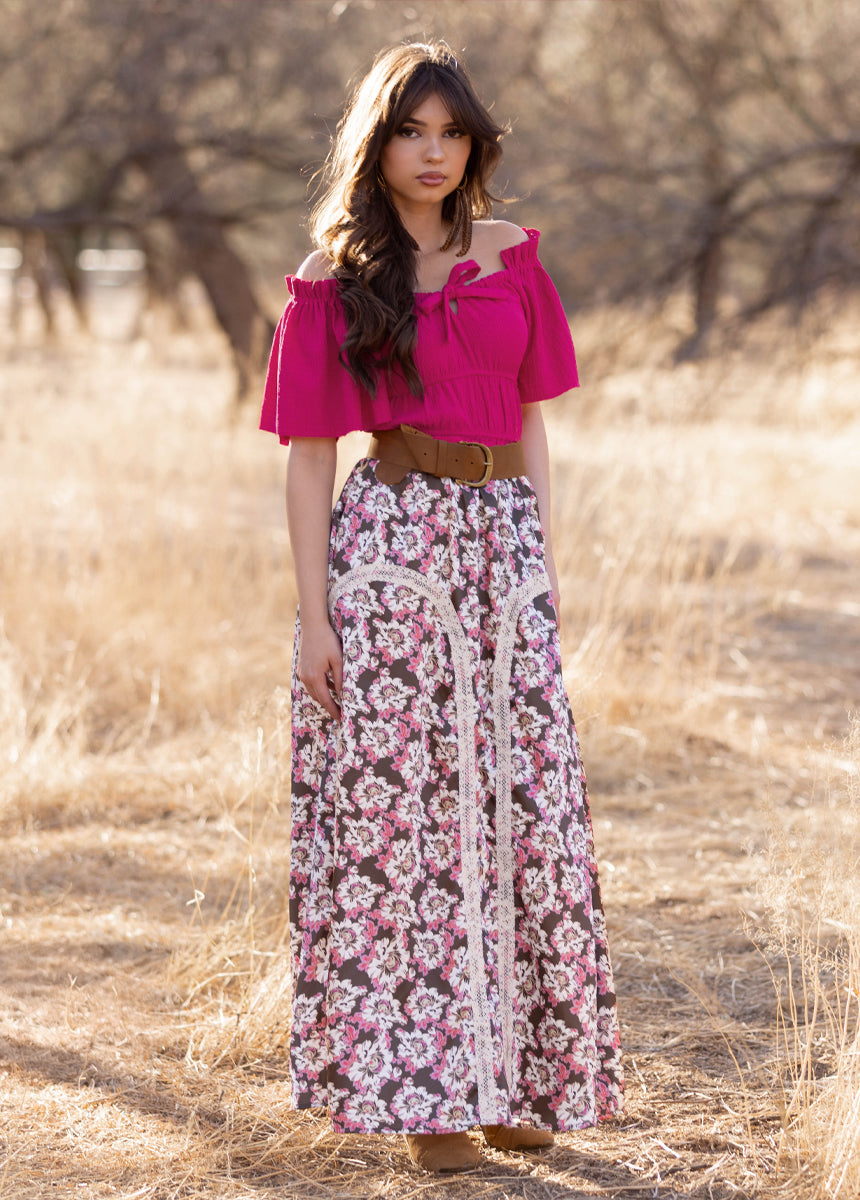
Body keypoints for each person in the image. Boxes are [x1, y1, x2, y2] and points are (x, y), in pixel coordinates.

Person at [260, 40, 624, 1174]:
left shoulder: (515, 258)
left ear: (474, 144)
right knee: (403, 827)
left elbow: (533, 421)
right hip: (392, 552)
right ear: (379, 141)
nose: (432, 151)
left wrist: (540, 565)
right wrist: (315, 616)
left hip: (501, 544)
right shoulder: (333, 277)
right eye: (411, 130)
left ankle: (517, 1079)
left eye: (449, 132)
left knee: (522, 810)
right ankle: (424, 1097)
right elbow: (308, 458)